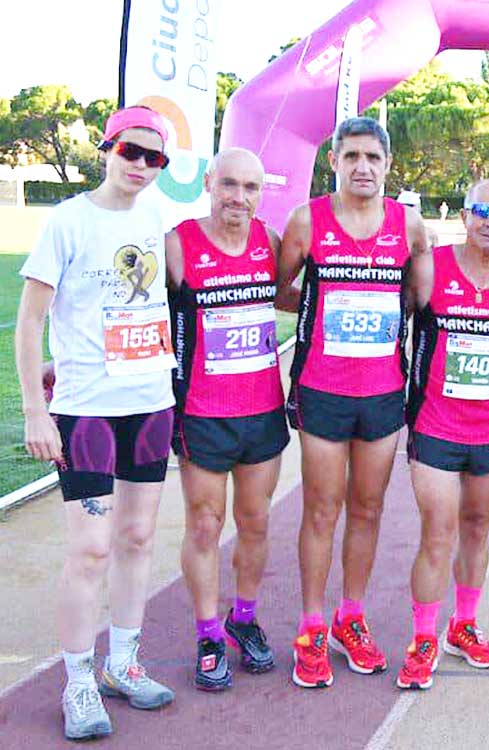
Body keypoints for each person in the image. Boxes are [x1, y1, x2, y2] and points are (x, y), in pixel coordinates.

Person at [16, 106, 177, 740]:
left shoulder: (159, 217)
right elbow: (30, 322)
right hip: (85, 412)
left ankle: (123, 664)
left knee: (138, 539)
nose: (140, 165)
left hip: (150, 405)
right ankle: (78, 681)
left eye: (154, 158)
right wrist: (36, 408)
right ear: (106, 149)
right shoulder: (68, 220)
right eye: (130, 151)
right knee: (90, 548)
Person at [277, 116, 429, 689]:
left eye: (373, 157)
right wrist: (331, 302)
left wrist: (371, 304)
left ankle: (351, 616)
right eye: (351, 157)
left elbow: (417, 297)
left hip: (384, 392)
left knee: (367, 509)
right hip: (322, 388)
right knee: (321, 508)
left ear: (388, 165)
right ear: (334, 162)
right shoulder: (306, 222)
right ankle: (312, 626)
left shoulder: (409, 226)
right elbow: (279, 286)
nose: (363, 167)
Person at [394, 178, 489, 690]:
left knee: (477, 529)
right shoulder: (430, 268)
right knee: (439, 533)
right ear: (465, 216)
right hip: (435, 427)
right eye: (482, 212)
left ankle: (463, 626)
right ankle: (423, 637)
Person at [167, 148, 287, 692]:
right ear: (210, 183)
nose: (240, 197)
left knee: (257, 522)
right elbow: (136, 307)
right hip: (203, 412)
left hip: (262, 409)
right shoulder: (179, 243)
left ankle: (244, 617)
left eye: (251, 188)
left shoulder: (269, 241)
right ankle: (209, 632)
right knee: (205, 525)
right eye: (230, 185)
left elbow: (295, 297)